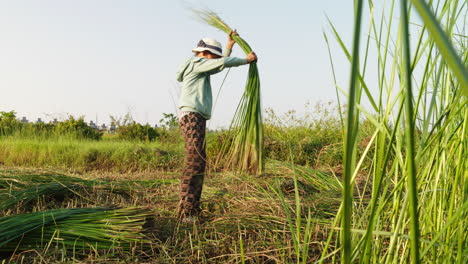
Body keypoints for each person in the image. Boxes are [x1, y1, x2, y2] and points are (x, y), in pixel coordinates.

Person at [176, 31, 257, 220]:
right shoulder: (195, 63)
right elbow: (220, 64)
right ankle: (186, 211)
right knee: (195, 160)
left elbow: (217, 65)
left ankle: (190, 208)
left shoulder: (200, 65)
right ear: (204, 53)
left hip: (196, 117)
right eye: (214, 55)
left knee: (198, 161)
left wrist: (229, 46)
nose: (216, 59)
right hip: (192, 116)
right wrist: (246, 60)